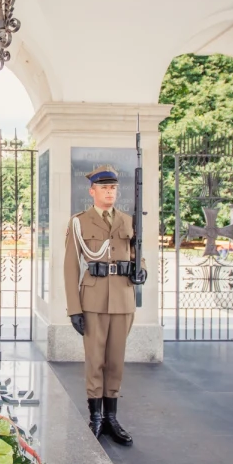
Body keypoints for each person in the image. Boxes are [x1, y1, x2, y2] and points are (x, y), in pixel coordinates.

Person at [63, 163, 143, 446]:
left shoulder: (127, 220)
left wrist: (140, 267)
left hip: (122, 297)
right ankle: (95, 417)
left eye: (113, 188)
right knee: (95, 361)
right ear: (92, 191)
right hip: (94, 299)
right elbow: (71, 266)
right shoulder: (79, 222)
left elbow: (136, 254)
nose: (110, 192)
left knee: (116, 362)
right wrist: (74, 308)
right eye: (105, 188)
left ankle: (111, 417)